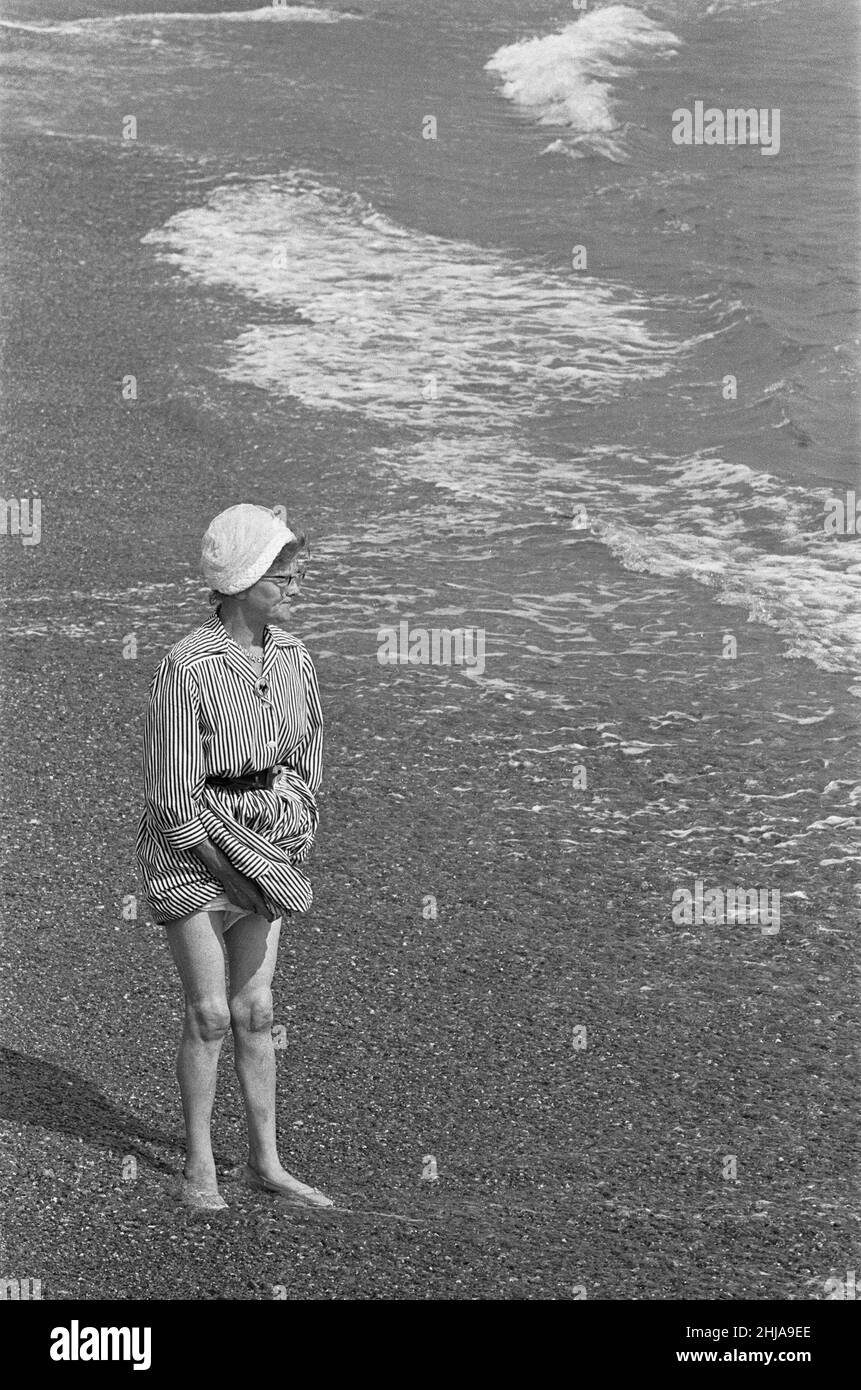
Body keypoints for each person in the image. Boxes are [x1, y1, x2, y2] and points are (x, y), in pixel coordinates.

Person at [136, 504, 333, 1211]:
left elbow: (307, 759)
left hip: (265, 836)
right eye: (282, 573)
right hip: (193, 844)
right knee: (210, 1014)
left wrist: (289, 834)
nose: (295, 582)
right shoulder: (185, 665)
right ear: (246, 578)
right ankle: (198, 1169)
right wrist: (228, 870)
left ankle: (266, 1164)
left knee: (256, 1009)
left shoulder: (293, 656)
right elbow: (169, 795)